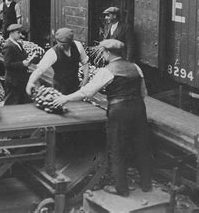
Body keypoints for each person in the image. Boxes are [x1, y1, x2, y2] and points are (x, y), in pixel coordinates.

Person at [53, 39, 152, 197]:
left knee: (117, 147)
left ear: (107, 53)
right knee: (141, 145)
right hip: (139, 109)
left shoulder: (108, 70)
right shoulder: (136, 68)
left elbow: (87, 92)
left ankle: (122, 189)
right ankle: (146, 185)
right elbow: (144, 93)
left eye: (103, 52)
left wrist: (65, 98)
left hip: (118, 111)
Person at [25, 28, 89, 96]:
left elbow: (85, 62)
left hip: (75, 85)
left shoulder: (78, 46)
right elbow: (39, 70)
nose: (61, 45)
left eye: (64, 44)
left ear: (70, 41)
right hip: (60, 88)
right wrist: (30, 82)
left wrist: (85, 78)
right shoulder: (52, 53)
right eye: (59, 43)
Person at [3, 24, 35, 105]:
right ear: (12, 33)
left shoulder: (18, 44)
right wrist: (22, 64)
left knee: (22, 103)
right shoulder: (8, 46)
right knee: (11, 103)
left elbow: (23, 56)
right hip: (13, 81)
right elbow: (8, 64)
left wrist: (30, 58)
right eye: (18, 33)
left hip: (21, 79)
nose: (20, 35)